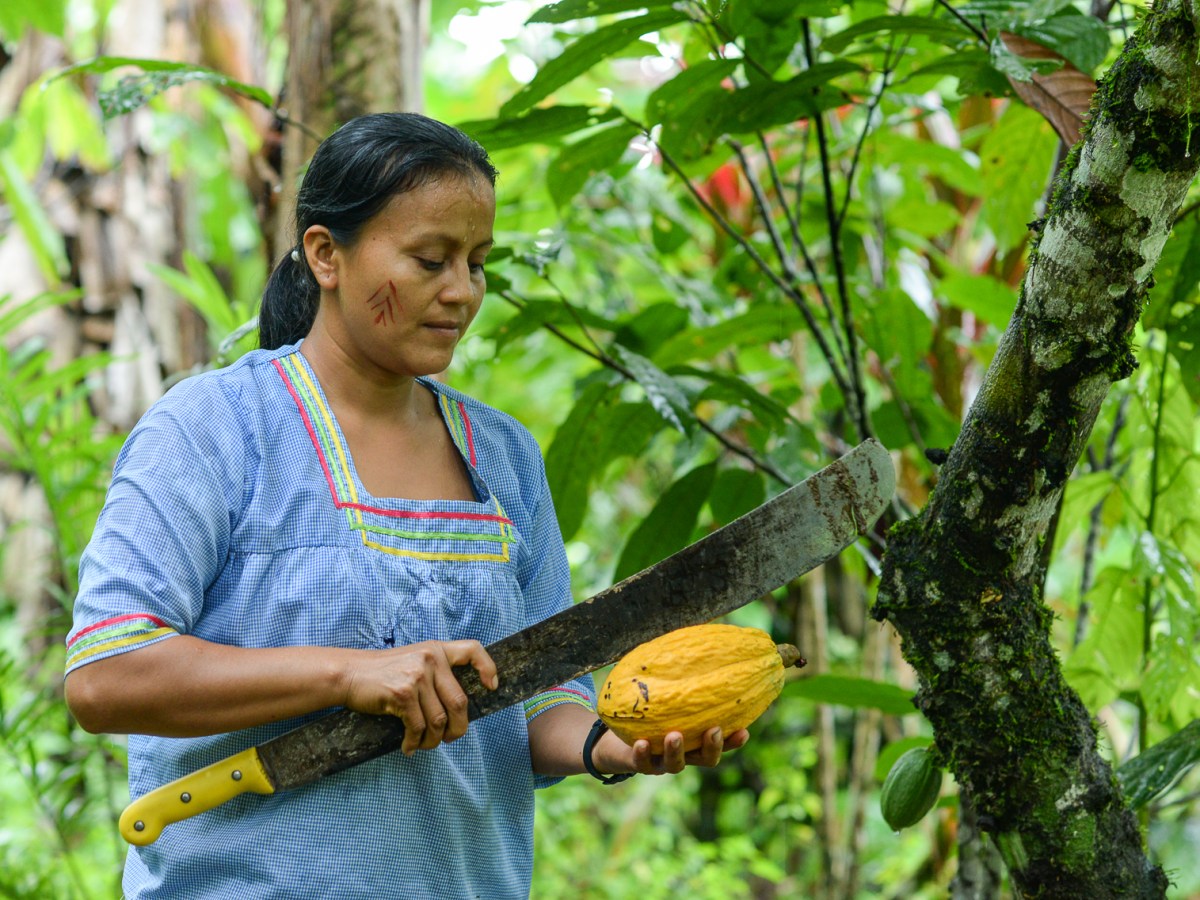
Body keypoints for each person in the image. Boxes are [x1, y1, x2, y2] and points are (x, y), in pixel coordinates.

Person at [63, 112, 748, 899]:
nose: (461, 291)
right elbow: (106, 675)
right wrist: (348, 674)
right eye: (430, 260)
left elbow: (540, 694)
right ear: (326, 255)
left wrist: (612, 744)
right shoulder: (213, 429)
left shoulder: (505, 458)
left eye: (477, 262)